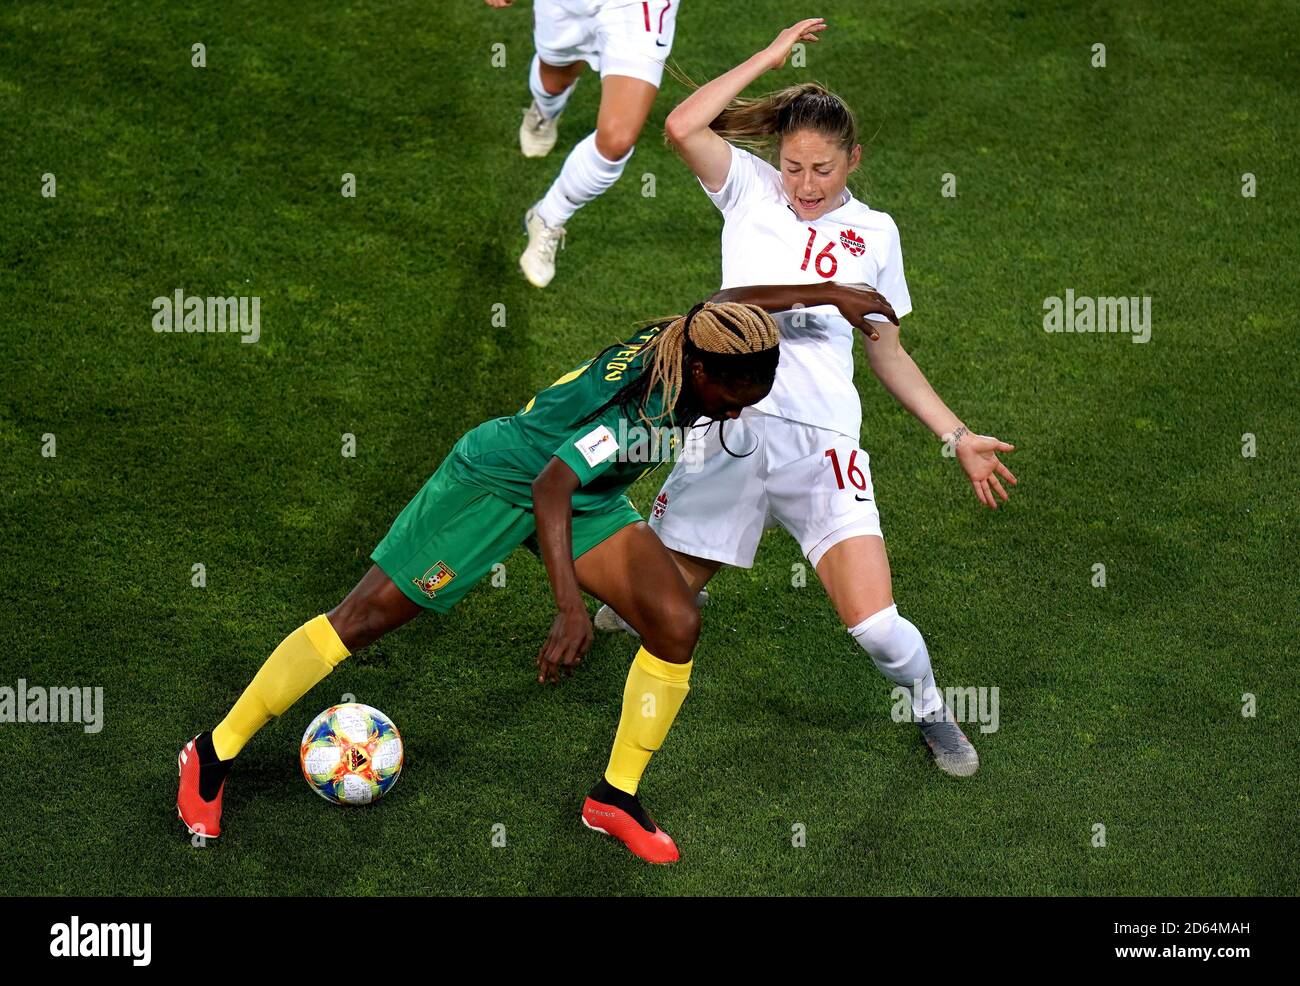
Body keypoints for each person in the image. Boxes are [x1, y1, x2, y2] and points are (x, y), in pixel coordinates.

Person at [178, 301, 780, 863]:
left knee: (676, 623)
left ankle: (613, 797)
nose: (735, 411)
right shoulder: (642, 409)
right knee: (358, 620)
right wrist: (569, 608)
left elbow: (740, 297)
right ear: (698, 369)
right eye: (730, 398)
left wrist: (828, 293)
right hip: (500, 483)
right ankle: (212, 753)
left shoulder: (699, 332)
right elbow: (551, 487)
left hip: (585, 493)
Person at [595, 19, 1019, 776]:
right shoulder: (747, 191)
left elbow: (887, 351)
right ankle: (643, 604)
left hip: (824, 443)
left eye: (822, 168)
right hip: (731, 428)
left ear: (853, 159)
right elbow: (681, 123)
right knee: (658, 601)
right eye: (792, 166)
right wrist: (767, 56)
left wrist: (956, 435)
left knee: (879, 628)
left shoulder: (876, 234)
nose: (806, 184)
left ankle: (930, 707)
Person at [485, 0, 683, 287]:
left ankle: (547, 217)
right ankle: (544, 111)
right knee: (555, 80)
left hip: (637, 9)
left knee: (617, 139)